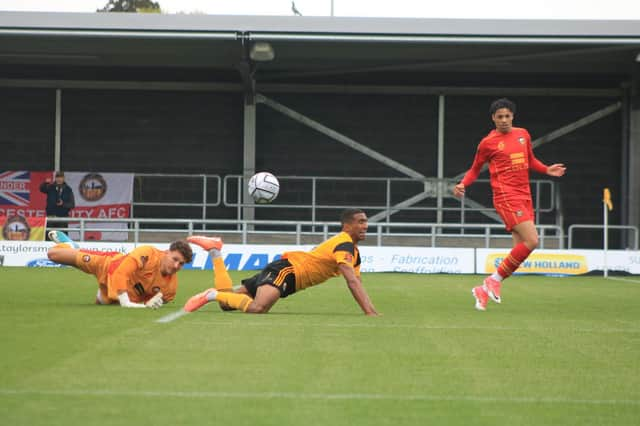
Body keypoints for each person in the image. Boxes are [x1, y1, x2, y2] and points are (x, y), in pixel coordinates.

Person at [453, 98, 566, 311]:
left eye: (507, 116)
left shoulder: (523, 134)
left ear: (513, 116)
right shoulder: (487, 143)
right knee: (532, 240)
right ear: (493, 119)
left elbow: (530, 160)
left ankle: (482, 290)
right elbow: (475, 168)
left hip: (525, 195)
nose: (504, 120)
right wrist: (462, 184)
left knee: (518, 250)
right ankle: (491, 281)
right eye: (499, 117)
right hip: (506, 196)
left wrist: (546, 169)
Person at [183, 208, 379, 316]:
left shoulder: (353, 251)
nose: (365, 226)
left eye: (366, 221)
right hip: (287, 272)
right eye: (360, 222)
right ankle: (210, 294)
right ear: (347, 225)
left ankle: (215, 251)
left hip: (286, 273)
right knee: (258, 308)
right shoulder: (344, 244)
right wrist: (370, 314)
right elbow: (351, 281)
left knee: (226, 302)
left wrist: (371, 310)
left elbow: (357, 282)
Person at [46, 230, 193, 309]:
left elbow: (149, 303)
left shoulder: (170, 289)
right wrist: (125, 302)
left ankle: (107, 293)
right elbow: (121, 271)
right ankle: (72, 246)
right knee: (54, 254)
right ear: (167, 252)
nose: (176, 266)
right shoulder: (147, 254)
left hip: (117, 293)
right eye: (175, 259)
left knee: (102, 304)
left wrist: (148, 305)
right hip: (108, 266)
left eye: (181, 264)